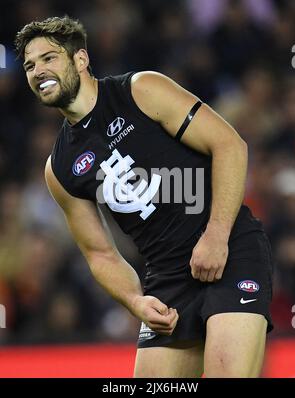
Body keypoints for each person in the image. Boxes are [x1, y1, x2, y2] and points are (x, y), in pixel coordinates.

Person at [15, 16, 273, 378]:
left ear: (81, 60)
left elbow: (230, 145)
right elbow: (100, 253)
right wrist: (135, 300)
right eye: (29, 65)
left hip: (229, 250)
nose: (37, 70)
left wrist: (216, 234)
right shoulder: (58, 168)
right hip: (166, 280)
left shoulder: (141, 90)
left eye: (48, 58)